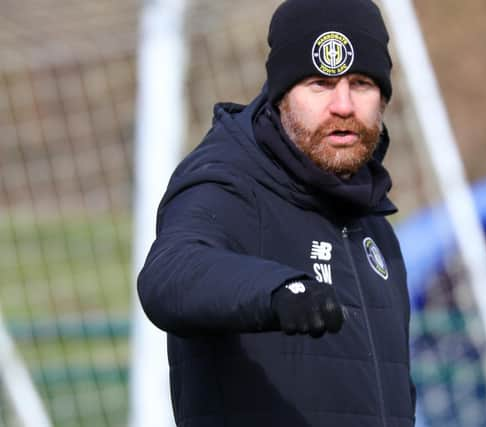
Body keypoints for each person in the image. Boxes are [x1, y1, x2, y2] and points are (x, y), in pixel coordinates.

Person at [137, 0, 416, 425]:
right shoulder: (227, 182)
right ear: (282, 94)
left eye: (360, 83)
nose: (343, 105)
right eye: (320, 84)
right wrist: (277, 292)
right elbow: (169, 273)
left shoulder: (374, 225)